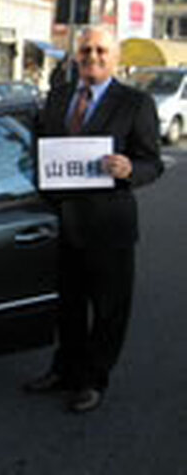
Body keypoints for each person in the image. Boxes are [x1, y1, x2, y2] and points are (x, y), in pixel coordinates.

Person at [26, 26, 163, 413]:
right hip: (63, 223)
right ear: (76, 57)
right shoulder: (59, 96)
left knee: (108, 310)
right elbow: (39, 147)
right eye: (86, 50)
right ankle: (64, 370)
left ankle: (93, 380)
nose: (93, 57)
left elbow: (153, 163)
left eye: (102, 50)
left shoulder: (135, 103)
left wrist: (129, 169)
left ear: (115, 57)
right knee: (67, 307)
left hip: (109, 227)